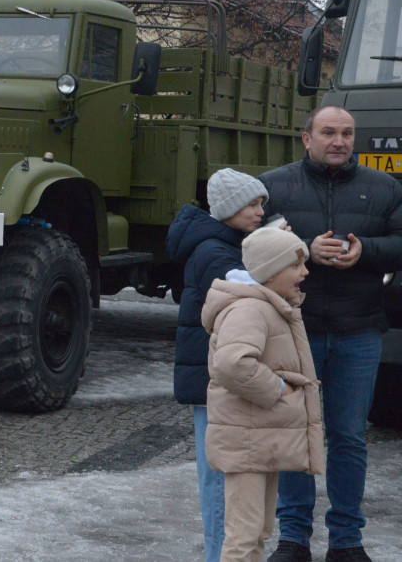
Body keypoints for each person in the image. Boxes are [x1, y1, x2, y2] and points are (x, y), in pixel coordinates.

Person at [259, 104, 402, 562]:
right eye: (328, 133)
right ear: (306, 138)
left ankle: (346, 540)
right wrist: (301, 249)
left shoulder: (384, 188)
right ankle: (293, 538)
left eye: (346, 133)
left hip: (359, 328)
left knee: (347, 436)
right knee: (298, 433)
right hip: (293, 329)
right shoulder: (274, 184)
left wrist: (367, 251)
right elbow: (251, 243)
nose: (338, 141)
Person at [202, 227, 324, 562]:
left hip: (259, 440)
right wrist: (279, 389)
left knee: (257, 531)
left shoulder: (269, 305)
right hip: (246, 442)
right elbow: (232, 364)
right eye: (296, 265)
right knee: (243, 536)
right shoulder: (249, 310)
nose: (305, 272)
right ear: (270, 272)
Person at [166, 168, 269, 561]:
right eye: (252, 204)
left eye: (262, 203)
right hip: (213, 379)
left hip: (212, 375)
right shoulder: (214, 251)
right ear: (228, 209)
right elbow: (253, 291)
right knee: (221, 476)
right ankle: (219, 555)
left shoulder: (222, 241)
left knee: (223, 472)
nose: (260, 212)